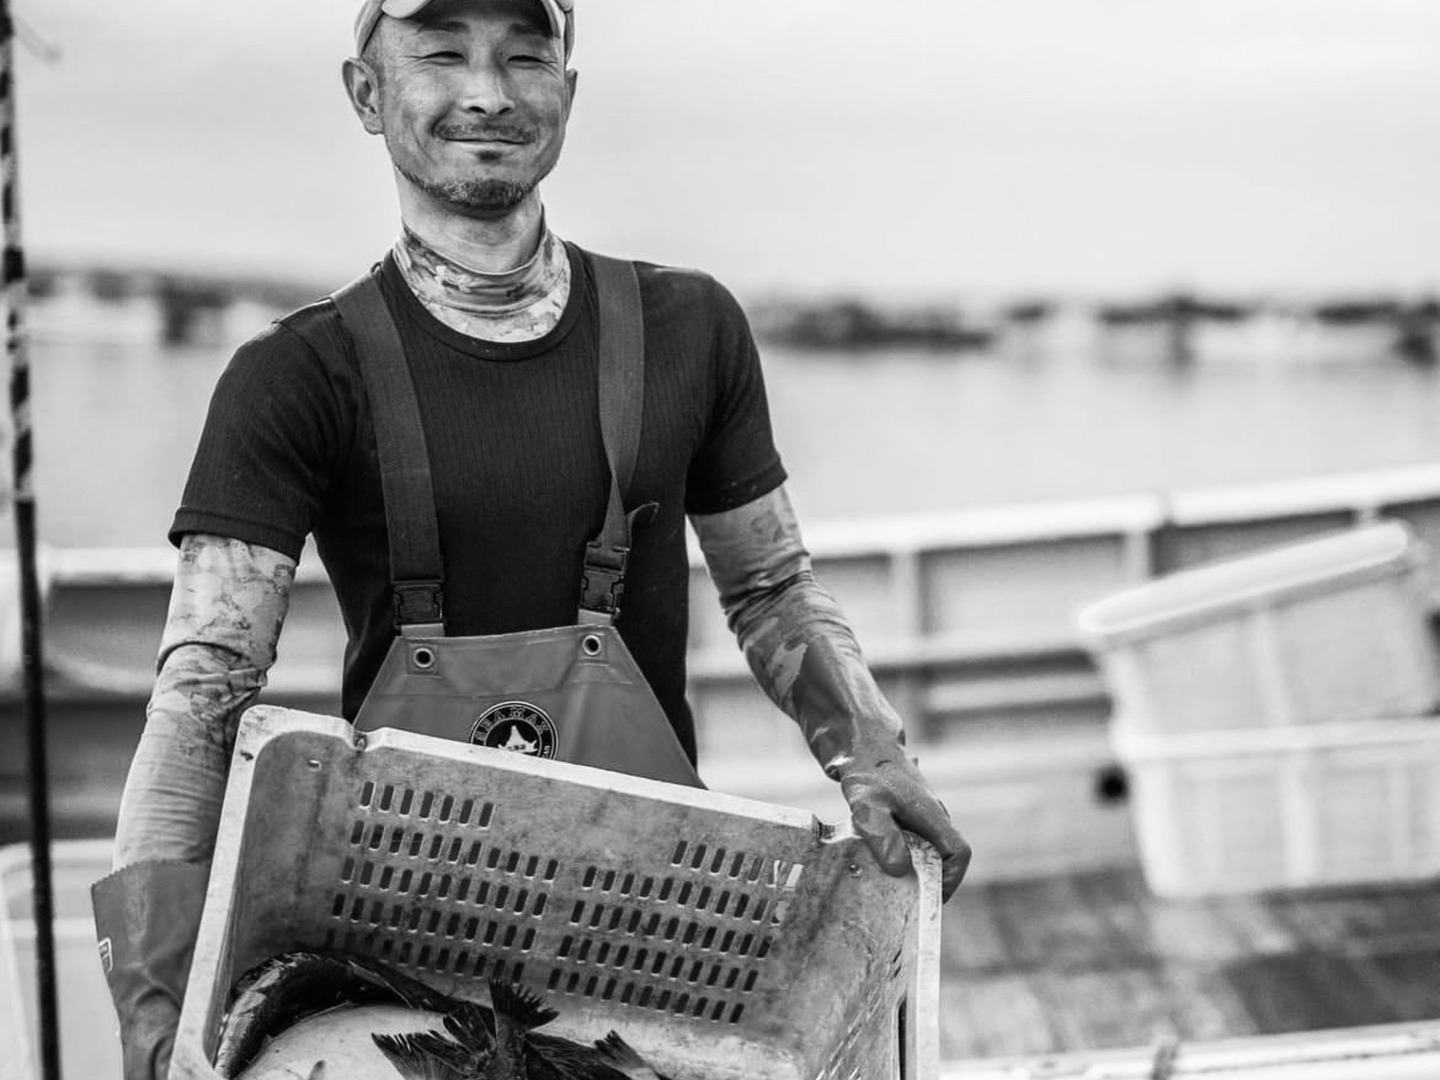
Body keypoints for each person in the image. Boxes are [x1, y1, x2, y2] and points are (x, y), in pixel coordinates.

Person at [91, 1, 971, 1076]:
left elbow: (772, 587)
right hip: (396, 956)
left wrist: (870, 750)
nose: (489, 92)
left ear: (568, 91)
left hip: (662, 941)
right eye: (442, 53)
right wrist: (156, 1006)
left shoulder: (692, 328)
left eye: (524, 56)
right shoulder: (293, 376)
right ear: (366, 92)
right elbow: (204, 692)